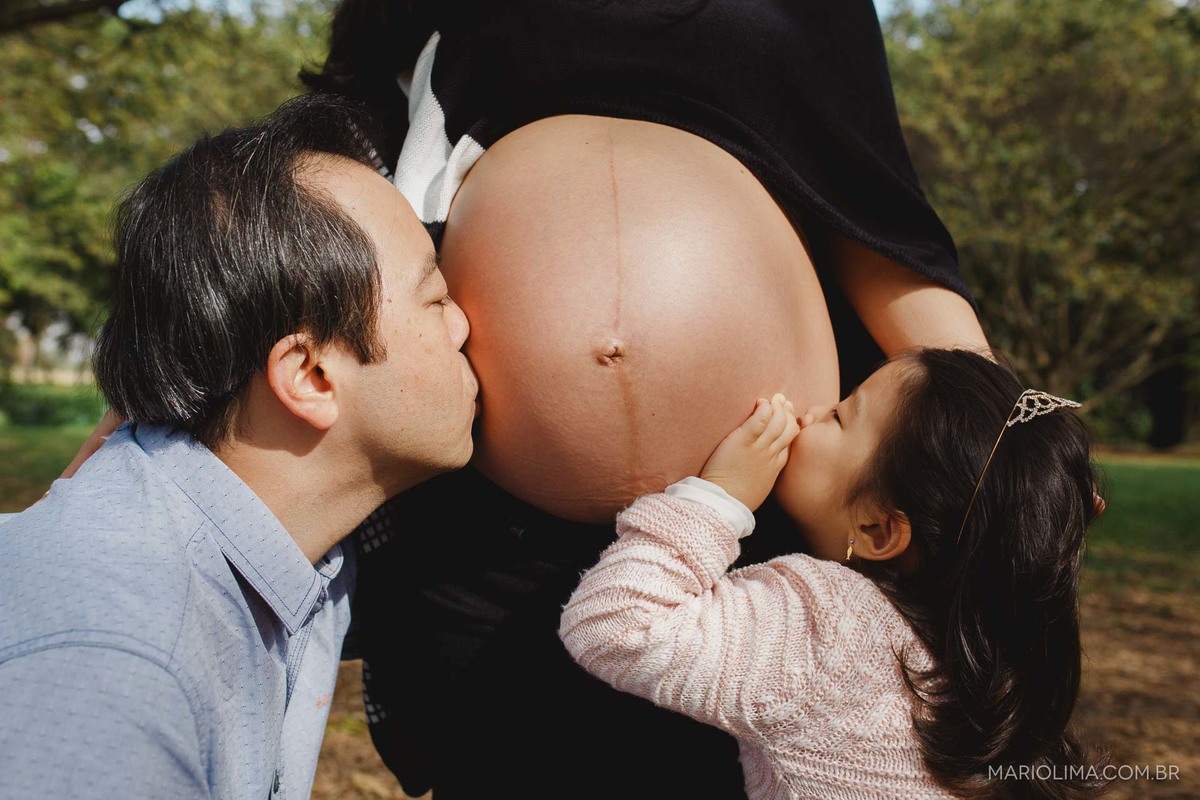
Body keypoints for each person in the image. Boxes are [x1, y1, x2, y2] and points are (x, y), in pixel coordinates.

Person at [301, 1, 992, 796]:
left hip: (755, 534)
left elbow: (870, 219)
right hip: (490, 528)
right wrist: (175, 384)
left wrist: (1003, 431)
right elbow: (331, 195)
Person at [0, 93, 477, 800]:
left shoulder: (275, 538)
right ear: (311, 376)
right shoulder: (119, 666)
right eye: (436, 299)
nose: (465, 325)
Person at [560, 349, 1110, 799]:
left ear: (876, 529)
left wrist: (718, 499)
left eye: (842, 415)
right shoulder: (979, 659)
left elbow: (616, 625)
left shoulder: (835, 625)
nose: (811, 410)